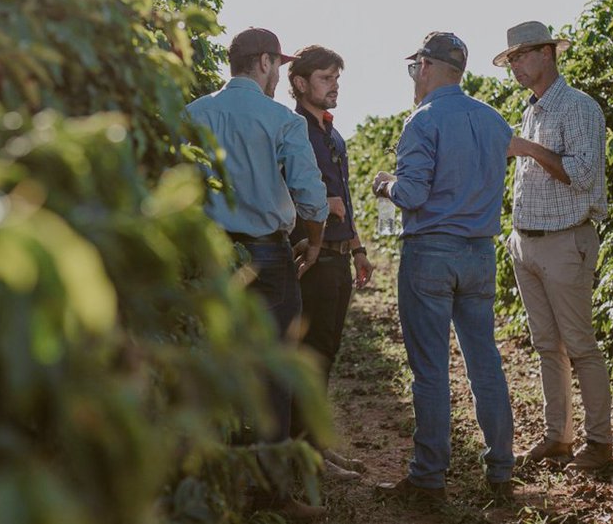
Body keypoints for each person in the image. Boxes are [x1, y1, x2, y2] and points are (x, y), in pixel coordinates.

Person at [185, 27, 330, 519]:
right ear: (265, 62)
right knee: (272, 373)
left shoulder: (194, 114)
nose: (279, 76)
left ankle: (205, 486)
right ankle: (270, 494)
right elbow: (310, 192)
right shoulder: (280, 119)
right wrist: (314, 238)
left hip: (210, 256)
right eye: (278, 66)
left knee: (210, 366)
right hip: (269, 258)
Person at [372, 32, 516, 505]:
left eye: (415, 68)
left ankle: (428, 478)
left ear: (429, 68)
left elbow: (411, 195)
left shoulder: (424, 120)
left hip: (431, 252)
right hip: (479, 253)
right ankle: (500, 471)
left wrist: (384, 186)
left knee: (430, 369)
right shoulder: (494, 121)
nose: (414, 77)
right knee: (485, 362)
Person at [496, 20, 613, 470]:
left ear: (547, 53)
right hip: (528, 242)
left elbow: (582, 173)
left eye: (521, 57)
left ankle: (600, 443)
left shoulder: (578, 107)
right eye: (511, 60)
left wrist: (527, 149)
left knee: (580, 345)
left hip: (566, 241)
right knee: (547, 345)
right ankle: (558, 437)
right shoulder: (532, 110)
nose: (515, 67)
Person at [285, 45, 374, 481]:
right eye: (325, 78)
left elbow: (346, 199)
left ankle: (315, 446)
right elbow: (286, 190)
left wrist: (357, 248)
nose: (334, 85)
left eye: (336, 78)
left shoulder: (331, 133)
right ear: (300, 83)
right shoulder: (291, 129)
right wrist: (320, 205)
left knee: (327, 352)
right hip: (311, 257)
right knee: (309, 357)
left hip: (338, 257)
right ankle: (305, 453)